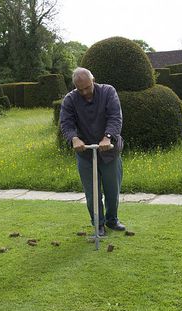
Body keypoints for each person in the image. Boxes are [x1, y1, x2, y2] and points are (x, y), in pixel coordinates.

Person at [60, 67, 126, 236]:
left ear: (93, 80)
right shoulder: (70, 99)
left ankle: (112, 220)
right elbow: (66, 123)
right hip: (86, 153)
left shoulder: (108, 92)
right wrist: (74, 139)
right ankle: (98, 224)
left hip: (109, 150)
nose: (85, 92)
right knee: (92, 192)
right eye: (79, 89)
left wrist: (107, 137)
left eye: (87, 87)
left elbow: (115, 117)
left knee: (112, 189)